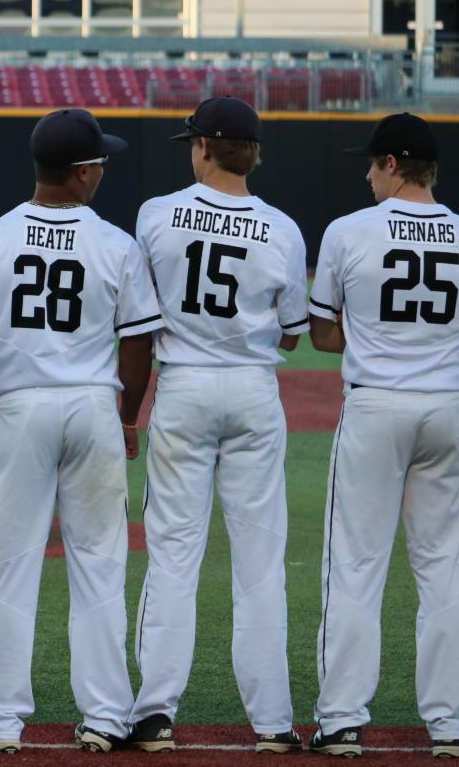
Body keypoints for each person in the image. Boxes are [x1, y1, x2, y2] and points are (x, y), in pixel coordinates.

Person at [0, 108, 160, 754]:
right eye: (99, 161)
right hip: (93, 404)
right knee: (99, 563)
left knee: (9, 566)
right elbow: (139, 341)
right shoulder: (116, 243)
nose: (103, 170)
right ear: (81, 173)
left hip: (22, 408)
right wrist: (127, 416)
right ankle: (105, 716)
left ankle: (1, 722)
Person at [126, 97, 308, 754]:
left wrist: (128, 409)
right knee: (261, 563)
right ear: (253, 153)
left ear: (203, 145)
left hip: (184, 387)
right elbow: (292, 329)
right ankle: (274, 722)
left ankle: (153, 714)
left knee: (173, 557)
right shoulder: (283, 228)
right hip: (254, 389)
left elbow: (139, 323)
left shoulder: (155, 215)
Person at [308, 113, 459, 759]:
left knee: (356, 565)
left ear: (391, 164)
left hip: (376, 406)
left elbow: (323, 333)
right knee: (444, 570)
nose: (365, 174)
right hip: (445, 408)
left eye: (371, 163)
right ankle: (448, 724)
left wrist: (376, 335)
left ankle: (341, 720)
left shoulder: (347, 231)